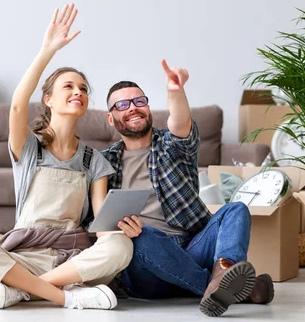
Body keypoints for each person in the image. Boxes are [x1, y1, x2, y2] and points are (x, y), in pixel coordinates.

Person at [0, 3, 137, 311]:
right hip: (23, 256)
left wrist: (120, 230)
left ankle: (23, 291)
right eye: (69, 86)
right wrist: (47, 49)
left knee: (120, 246)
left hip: (70, 258)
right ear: (49, 99)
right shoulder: (29, 148)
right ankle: (63, 297)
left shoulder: (95, 161)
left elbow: (102, 228)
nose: (78, 91)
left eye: (83, 88)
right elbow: (16, 106)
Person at [102, 60, 275, 317]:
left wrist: (175, 91)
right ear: (111, 118)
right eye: (122, 105)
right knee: (145, 236)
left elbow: (180, 122)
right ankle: (233, 290)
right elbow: (94, 221)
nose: (133, 109)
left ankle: (224, 271)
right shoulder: (104, 163)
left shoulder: (171, 146)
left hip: (193, 246)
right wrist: (119, 231)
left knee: (236, 210)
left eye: (139, 101)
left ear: (148, 108)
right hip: (144, 264)